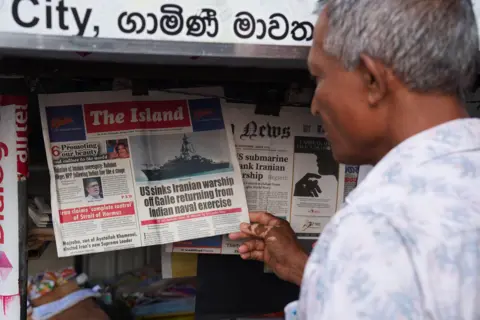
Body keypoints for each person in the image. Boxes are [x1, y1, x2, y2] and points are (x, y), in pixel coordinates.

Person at [229, 0, 480, 319]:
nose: (315, 106)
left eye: (319, 78)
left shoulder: (376, 226)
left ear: (372, 80)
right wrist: (305, 270)